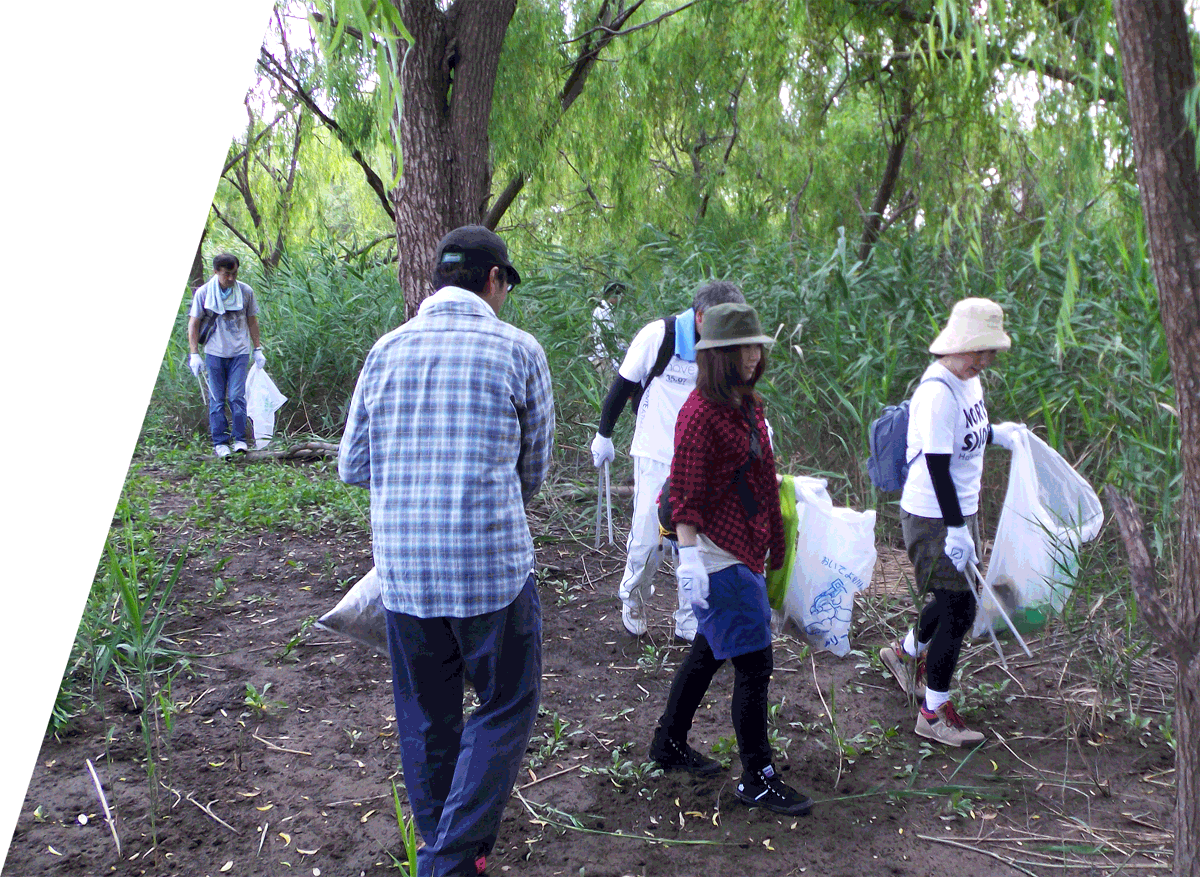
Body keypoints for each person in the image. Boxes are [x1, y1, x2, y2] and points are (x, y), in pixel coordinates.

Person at [338, 225, 555, 877]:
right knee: (506, 701)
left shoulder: (385, 351)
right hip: (492, 572)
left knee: (428, 717)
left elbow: (352, 465)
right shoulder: (518, 350)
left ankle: (446, 852)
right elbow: (533, 469)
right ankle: (449, 861)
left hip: (406, 577)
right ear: (494, 281)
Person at [646, 302, 813, 817]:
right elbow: (687, 497)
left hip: (742, 542)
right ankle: (757, 776)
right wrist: (690, 560)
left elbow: (755, 473)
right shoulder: (698, 415)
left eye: (755, 346)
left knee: (709, 650)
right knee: (754, 664)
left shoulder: (747, 404)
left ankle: (668, 742)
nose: (752, 355)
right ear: (714, 355)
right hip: (716, 552)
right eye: (740, 348)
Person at [878, 297, 1022, 747]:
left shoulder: (969, 384)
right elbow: (938, 467)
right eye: (984, 351)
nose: (988, 360)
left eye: (991, 352)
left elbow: (967, 435)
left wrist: (997, 434)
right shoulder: (937, 392)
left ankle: (903, 654)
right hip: (932, 516)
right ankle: (933, 712)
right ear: (963, 345)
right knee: (959, 610)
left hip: (962, 511)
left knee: (951, 598)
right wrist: (956, 530)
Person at [590, 281, 747, 640]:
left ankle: (689, 618)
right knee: (649, 540)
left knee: (696, 543)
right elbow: (622, 386)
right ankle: (634, 598)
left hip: (702, 459)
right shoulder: (658, 337)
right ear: (701, 316)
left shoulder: (725, 346)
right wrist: (604, 434)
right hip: (655, 451)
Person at [187, 253, 266, 458]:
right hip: (215, 353)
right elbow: (194, 324)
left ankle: (240, 439)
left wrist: (257, 348)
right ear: (216, 272)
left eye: (234, 274)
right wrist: (194, 354)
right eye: (226, 274)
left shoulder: (245, 291)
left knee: (237, 397)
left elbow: (252, 320)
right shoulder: (204, 293)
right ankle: (220, 441)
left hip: (239, 352)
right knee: (217, 399)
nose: (231, 279)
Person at [589, 280, 625, 372]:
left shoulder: (606, 308)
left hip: (607, 356)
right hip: (605, 359)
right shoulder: (604, 310)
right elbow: (606, 338)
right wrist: (607, 360)